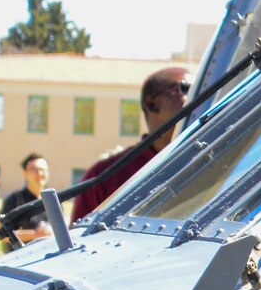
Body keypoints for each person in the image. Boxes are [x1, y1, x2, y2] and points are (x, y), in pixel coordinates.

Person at [68, 66, 190, 222]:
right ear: (152, 103)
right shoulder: (104, 177)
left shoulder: (215, 161)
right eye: (186, 89)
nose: (198, 96)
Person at [0, 153, 52, 251]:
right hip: (20, 257)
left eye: (43, 169)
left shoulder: (53, 200)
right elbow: (1, 233)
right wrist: (35, 234)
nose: (39, 173)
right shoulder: (14, 200)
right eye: (34, 169)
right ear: (25, 173)